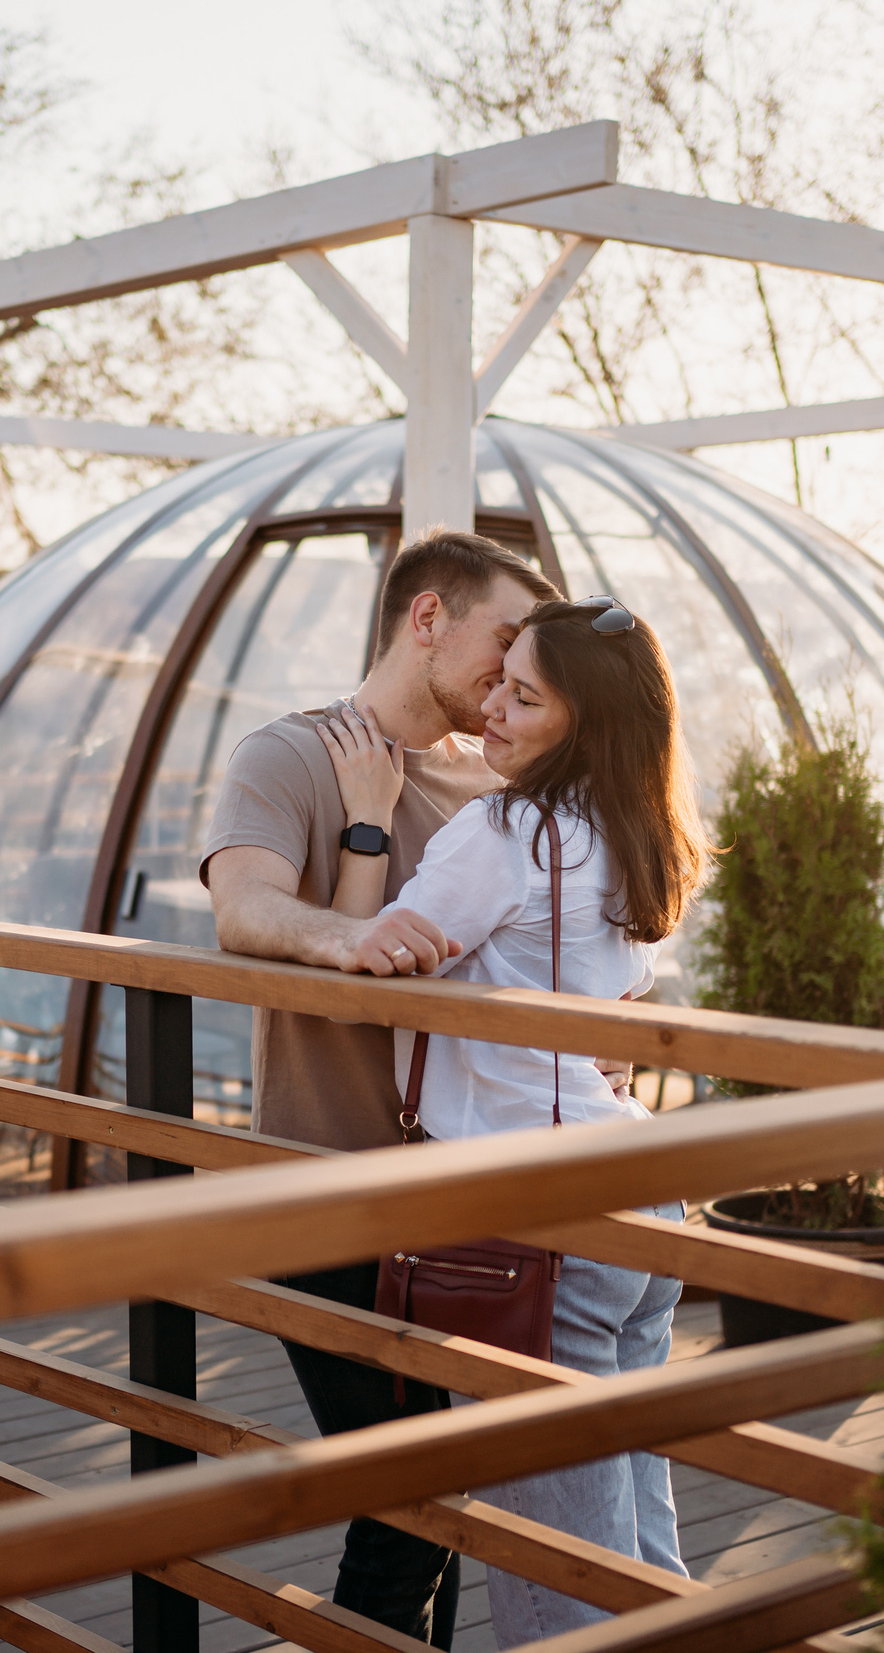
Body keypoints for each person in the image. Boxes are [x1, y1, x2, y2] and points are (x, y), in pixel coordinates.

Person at [320, 594, 709, 1646]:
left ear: (582, 727)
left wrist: (366, 814)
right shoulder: (638, 833)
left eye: (523, 696)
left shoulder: (504, 830)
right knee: (634, 1527)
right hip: (640, 1196)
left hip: (537, 1219)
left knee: (551, 1570)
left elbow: (360, 958)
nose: (489, 707)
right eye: (499, 680)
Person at [200, 528, 560, 1646]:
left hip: (460, 1202)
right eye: (501, 643)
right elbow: (244, 909)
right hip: (323, 1188)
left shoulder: (494, 784)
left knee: (438, 1505)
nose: (510, 679)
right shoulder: (289, 756)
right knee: (407, 1513)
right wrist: (342, 939)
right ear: (426, 619)